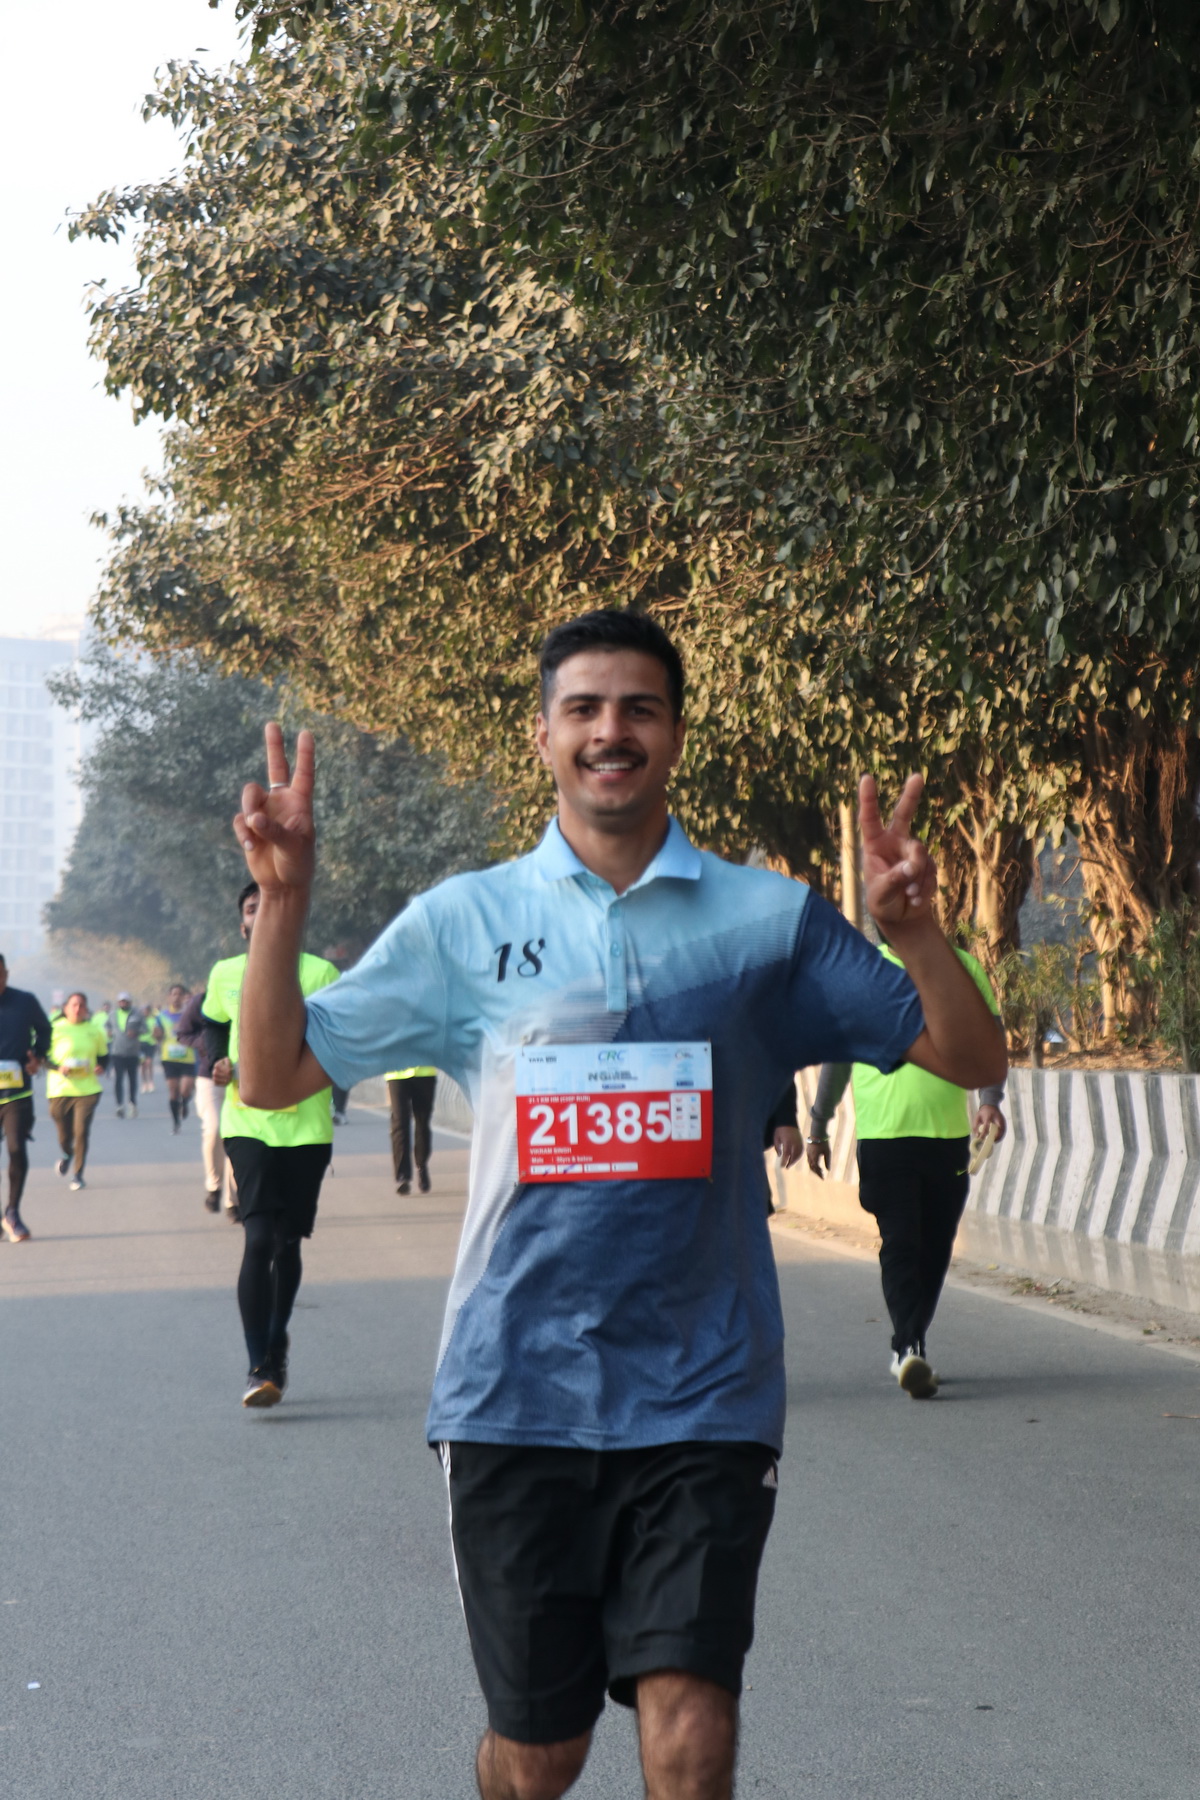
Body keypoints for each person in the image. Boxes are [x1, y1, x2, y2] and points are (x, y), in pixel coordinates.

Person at [230, 609, 1005, 1800]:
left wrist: (919, 938)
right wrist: (283, 903)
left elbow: (970, 1056)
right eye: (584, 708)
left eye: (640, 707)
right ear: (543, 737)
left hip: (707, 1390)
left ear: (676, 735)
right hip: (513, 1390)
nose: (611, 731)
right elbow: (273, 1074)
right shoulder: (464, 922)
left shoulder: (768, 919)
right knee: (541, 1755)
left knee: (690, 1730)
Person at [806, 940, 1007, 1399]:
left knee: (935, 1247)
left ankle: (912, 1342)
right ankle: (908, 1346)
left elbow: (989, 1041)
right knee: (901, 1241)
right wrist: (818, 1125)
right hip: (884, 1135)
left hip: (948, 1135)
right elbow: (839, 1057)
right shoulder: (860, 973)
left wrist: (990, 1101)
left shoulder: (962, 968)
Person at [202, 883, 339, 1407]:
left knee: (288, 1243)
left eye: (269, 906)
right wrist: (218, 1061)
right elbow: (214, 1023)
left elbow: (336, 1038)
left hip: (306, 1127)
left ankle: (277, 1343)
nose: (260, 914)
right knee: (259, 1239)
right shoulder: (225, 974)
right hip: (247, 1122)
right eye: (250, 908)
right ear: (242, 924)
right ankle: (258, 1362)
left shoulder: (320, 974)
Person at [0, 954, 51, 1243]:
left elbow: (45, 1030)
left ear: (6, 973)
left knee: (16, 1148)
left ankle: (12, 1212)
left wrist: (38, 1057)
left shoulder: (24, 1001)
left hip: (16, 1092)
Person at [177, 986, 236, 1217]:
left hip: (243, 1078)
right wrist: (208, 1042)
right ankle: (214, 1185)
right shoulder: (202, 1000)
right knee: (214, 1129)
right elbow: (183, 1033)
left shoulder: (252, 993)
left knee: (238, 1137)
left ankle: (233, 1201)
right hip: (210, 1076)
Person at [46, 993, 108, 1192]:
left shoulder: (94, 1031)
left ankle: (78, 1174)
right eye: (74, 1005)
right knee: (64, 1136)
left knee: (81, 1132)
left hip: (87, 1090)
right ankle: (67, 1153)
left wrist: (101, 1066)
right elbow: (43, 1057)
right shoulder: (54, 1029)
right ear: (66, 1008)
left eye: (81, 1005)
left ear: (86, 1009)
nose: (77, 1009)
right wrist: (58, 1067)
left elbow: (104, 1056)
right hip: (60, 1090)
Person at [385, 1066, 437, 1194]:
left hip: (424, 1072)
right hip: (396, 1073)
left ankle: (422, 1166)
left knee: (422, 1123)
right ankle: (403, 1176)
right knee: (399, 1123)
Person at [155, 984, 197, 1132]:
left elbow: (198, 1033)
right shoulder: (161, 1016)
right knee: (173, 1091)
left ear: (184, 997)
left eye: (180, 994)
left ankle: (184, 1103)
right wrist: (157, 1035)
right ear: (169, 997)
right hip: (169, 1058)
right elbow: (158, 1036)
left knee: (186, 1090)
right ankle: (176, 1123)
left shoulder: (190, 1015)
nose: (177, 997)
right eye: (174, 994)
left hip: (187, 1057)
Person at [108, 993, 146, 1119]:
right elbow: (107, 1025)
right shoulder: (113, 1014)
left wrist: (136, 1032)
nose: (123, 1003)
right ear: (118, 1002)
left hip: (132, 1052)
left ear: (130, 1002)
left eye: (125, 1001)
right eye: (121, 1001)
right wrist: (109, 1032)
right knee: (118, 1079)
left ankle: (132, 1103)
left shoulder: (137, 1014)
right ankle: (119, 1105)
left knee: (132, 1079)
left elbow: (145, 1029)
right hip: (117, 1051)